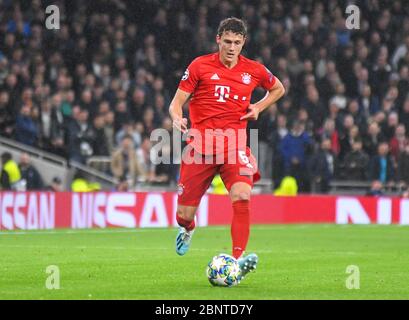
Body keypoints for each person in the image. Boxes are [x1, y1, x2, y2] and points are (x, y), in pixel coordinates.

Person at [168, 18, 285, 281]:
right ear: (218, 39)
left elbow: (278, 88)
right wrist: (177, 118)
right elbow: (176, 103)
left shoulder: (253, 70)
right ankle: (188, 228)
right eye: (228, 41)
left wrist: (259, 107)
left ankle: (237, 260)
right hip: (199, 148)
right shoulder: (199, 66)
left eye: (237, 42)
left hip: (234, 147)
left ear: (244, 42)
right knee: (183, 215)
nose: (232, 47)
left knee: (242, 195)